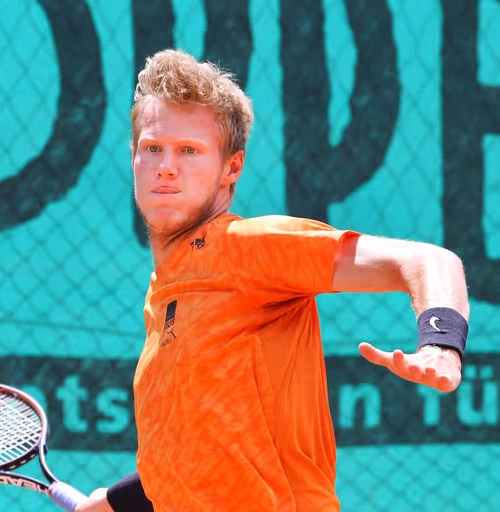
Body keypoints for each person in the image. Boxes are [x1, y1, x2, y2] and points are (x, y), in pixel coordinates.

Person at [77, 49, 468, 512]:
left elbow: (428, 260)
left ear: (231, 168)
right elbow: (199, 456)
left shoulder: (245, 246)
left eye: (189, 151)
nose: (166, 165)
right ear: (134, 158)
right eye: (153, 148)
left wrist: (440, 345)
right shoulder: (165, 292)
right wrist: (110, 502)